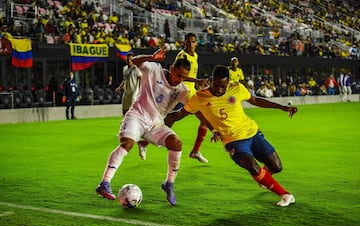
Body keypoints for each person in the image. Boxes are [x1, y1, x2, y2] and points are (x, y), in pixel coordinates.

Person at [165, 65, 298, 207]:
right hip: (233, 141)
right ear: (211, 81)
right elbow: (179, 115)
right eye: (216, 85)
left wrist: (282, 107)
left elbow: (256, 100)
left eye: (223, 86)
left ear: (227, 82)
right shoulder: (200, 97)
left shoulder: (237, 88)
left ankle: (264, 178)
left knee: (276, 167)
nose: (219, 90)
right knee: (251, 165)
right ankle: (285, 195)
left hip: (252, 133)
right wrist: (159, 120)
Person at [95, 47, 191, 206]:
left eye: (184, 77)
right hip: (137, 116)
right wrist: (152, 57)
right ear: (172, 69)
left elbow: (194, 107)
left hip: (155, 125)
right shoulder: (154, 70)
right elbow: (135, 62)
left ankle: (169, 183)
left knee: (177, 144)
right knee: (127, 144)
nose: (180, 79)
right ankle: (104, 183)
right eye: (178, 75)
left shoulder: (182, 90)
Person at [138, 32, 209, 163]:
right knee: (169, 119)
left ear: (196, 43)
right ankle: (145, 141)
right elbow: (179, 73)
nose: (191, 44)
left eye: (193, 42)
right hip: (180, 90)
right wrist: (197, 80)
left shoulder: (196, 56)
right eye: (188, 41)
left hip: (191, 91)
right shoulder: (182, 55)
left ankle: (195, 151)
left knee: (200, 117)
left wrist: (197, 84)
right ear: (185, 42)